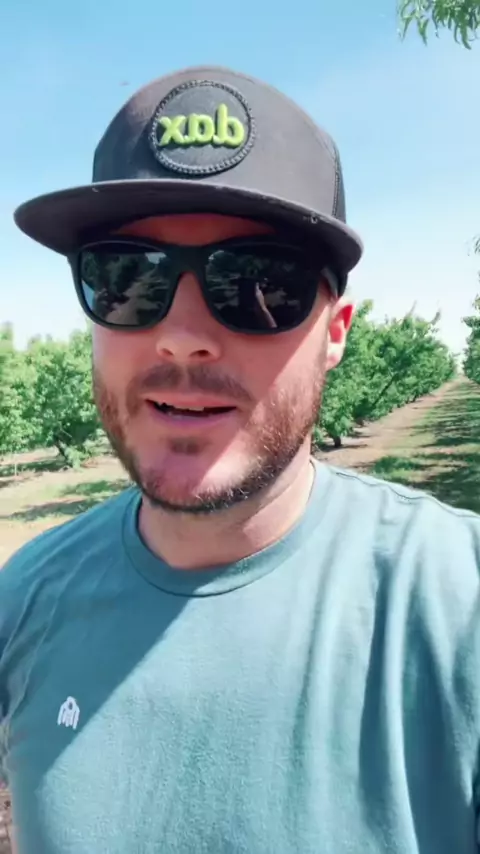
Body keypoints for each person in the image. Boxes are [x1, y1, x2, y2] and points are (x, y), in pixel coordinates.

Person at [1, 65, 480, 854]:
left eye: (260, 281)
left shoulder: (457, 605)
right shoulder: (24, 600)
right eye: (126, 277)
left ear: (335, 333)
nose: (182, 336)